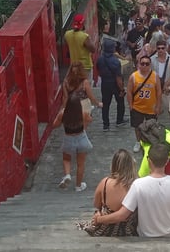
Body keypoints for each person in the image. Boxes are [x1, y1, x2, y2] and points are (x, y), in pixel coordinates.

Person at [92, 143, 170, 238]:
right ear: (166, 161)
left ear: (148, 160)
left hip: (145, 234)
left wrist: (100, 219)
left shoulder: (138, 184)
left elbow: (122, 215)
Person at [53, 62, 102, 192]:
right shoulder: (84, 83)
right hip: (81, 118)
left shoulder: (66, 82)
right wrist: (97, 104)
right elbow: (90, 105)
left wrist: (62, 114)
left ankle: (67, 174)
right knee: (81, 163)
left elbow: (55, 124)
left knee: (66, 157)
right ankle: (78, 186)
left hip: (68, 120)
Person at [79, 149, 139, 236]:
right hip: (129, 231)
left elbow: (96, 204)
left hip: (105, 230)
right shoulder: (137, 184)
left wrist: (99, 216)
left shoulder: (105, 182)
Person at [127, 55, 161, 153]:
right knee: (137, 126)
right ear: (139, 64)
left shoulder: (155, 76)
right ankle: (138, 142)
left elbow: (158, 92)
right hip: (137, 107)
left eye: (147, 64)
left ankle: (151, 142)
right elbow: (129, 91)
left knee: (152, 127)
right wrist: (130, 105)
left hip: (151, 108)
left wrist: (158, 106)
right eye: (142, 63)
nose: (145, 65)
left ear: (150, 65)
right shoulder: (133, 76)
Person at [97, 39, 127, 131]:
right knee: (120, 102)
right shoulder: (115, 61)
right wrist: (121, 89)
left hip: (105, 83)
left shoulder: (100, 59)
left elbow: (98, 70)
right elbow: (118, 78)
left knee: (105, 104)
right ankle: (119, 120)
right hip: (114, 84)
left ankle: (106, 124)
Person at [64, 14, 96, 83]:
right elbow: (93, 49)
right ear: (83, 23)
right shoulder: (84, 36)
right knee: (86, 86)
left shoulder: (67, 34)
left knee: (77, 85)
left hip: (74, 66)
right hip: (85, 66)